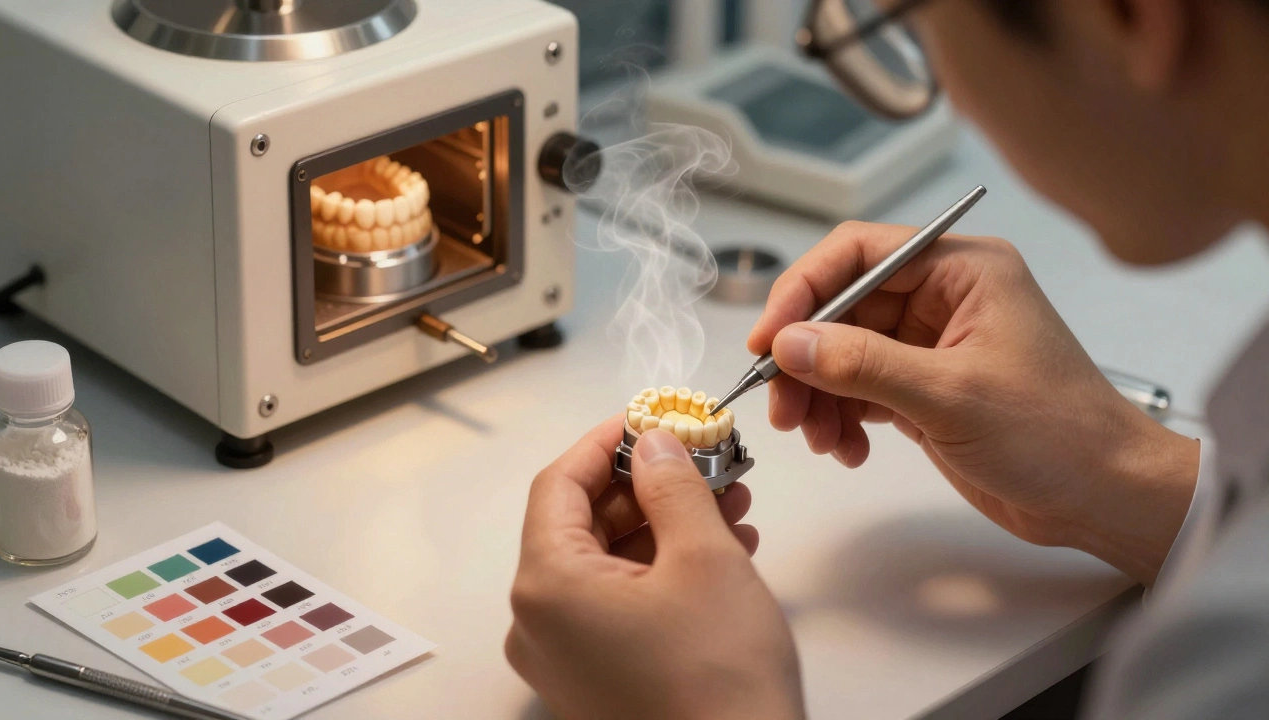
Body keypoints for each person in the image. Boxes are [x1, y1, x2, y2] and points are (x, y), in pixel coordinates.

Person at [505, 0, 1269, 717]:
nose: (957, 102)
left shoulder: (1231, 656)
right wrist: (1125, 478)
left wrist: (723, 701)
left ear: (1133, 16)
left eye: (919, 20)